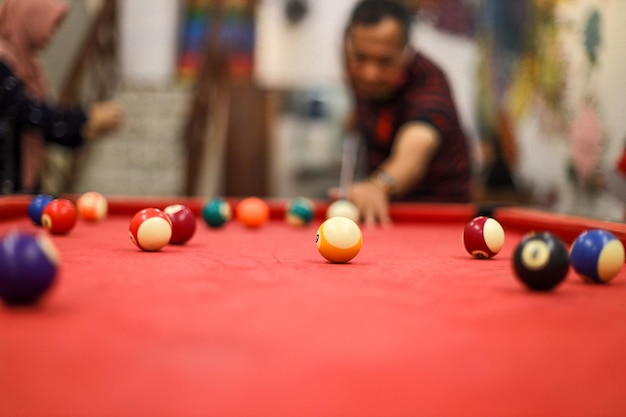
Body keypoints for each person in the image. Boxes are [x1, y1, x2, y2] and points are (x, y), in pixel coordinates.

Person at [340, 0, 471, 226]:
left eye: (384, 60)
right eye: (360, 57)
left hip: (440, 220)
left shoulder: (429, 85)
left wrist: (378, 185)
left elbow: (415, 151)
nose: (370, 73)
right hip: (384, 213)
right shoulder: (357, 71)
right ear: (349, 46)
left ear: (406, 52)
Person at [0, 0, 122, 195]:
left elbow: (46, 128)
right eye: (52, 25)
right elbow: (30, 114)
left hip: (22, 187)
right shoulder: (3, 64)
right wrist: (87, 118)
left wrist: (86, 126)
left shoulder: (28, 64)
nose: (52, 33)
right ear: (30, 15)